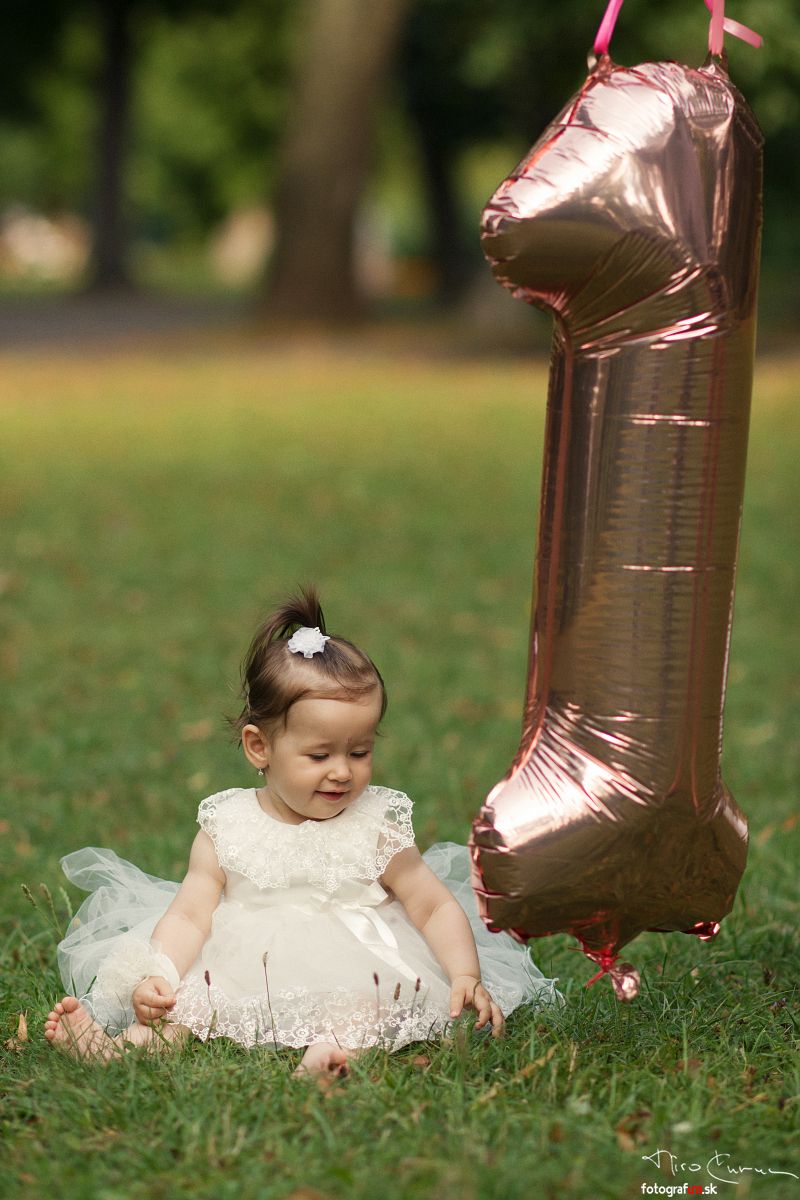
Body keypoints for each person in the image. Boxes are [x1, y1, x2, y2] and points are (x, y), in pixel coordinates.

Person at [45, 589, 558, 1076]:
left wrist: (464, 973)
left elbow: (432, 905)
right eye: (319, 755)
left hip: (358, 956)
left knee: (365, 1003)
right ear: (259, 747)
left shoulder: (375, 824)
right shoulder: (229, 824)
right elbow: (189, 913)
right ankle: (118, 1047)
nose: (342, 771)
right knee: (186, 1007)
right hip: (245, 962)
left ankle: (329, 1057)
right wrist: (160, 973)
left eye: (360, 752)